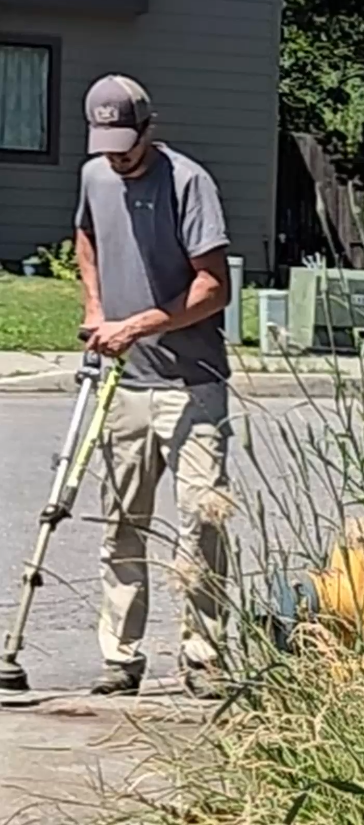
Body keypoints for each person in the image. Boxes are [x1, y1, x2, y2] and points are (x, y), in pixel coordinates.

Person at [75, 74, 234, 697]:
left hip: (192, 382)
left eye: (126, 141)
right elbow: (85, 235)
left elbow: (214, 285)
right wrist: (94, 308)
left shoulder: (188, 182)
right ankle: (121, 656)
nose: (118, 154)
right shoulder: (94, 176)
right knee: (122, 521)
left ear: (149, 126)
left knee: (202, 519)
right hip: (127, 385)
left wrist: (136, 324)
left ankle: (203, 657)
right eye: (108, 142)